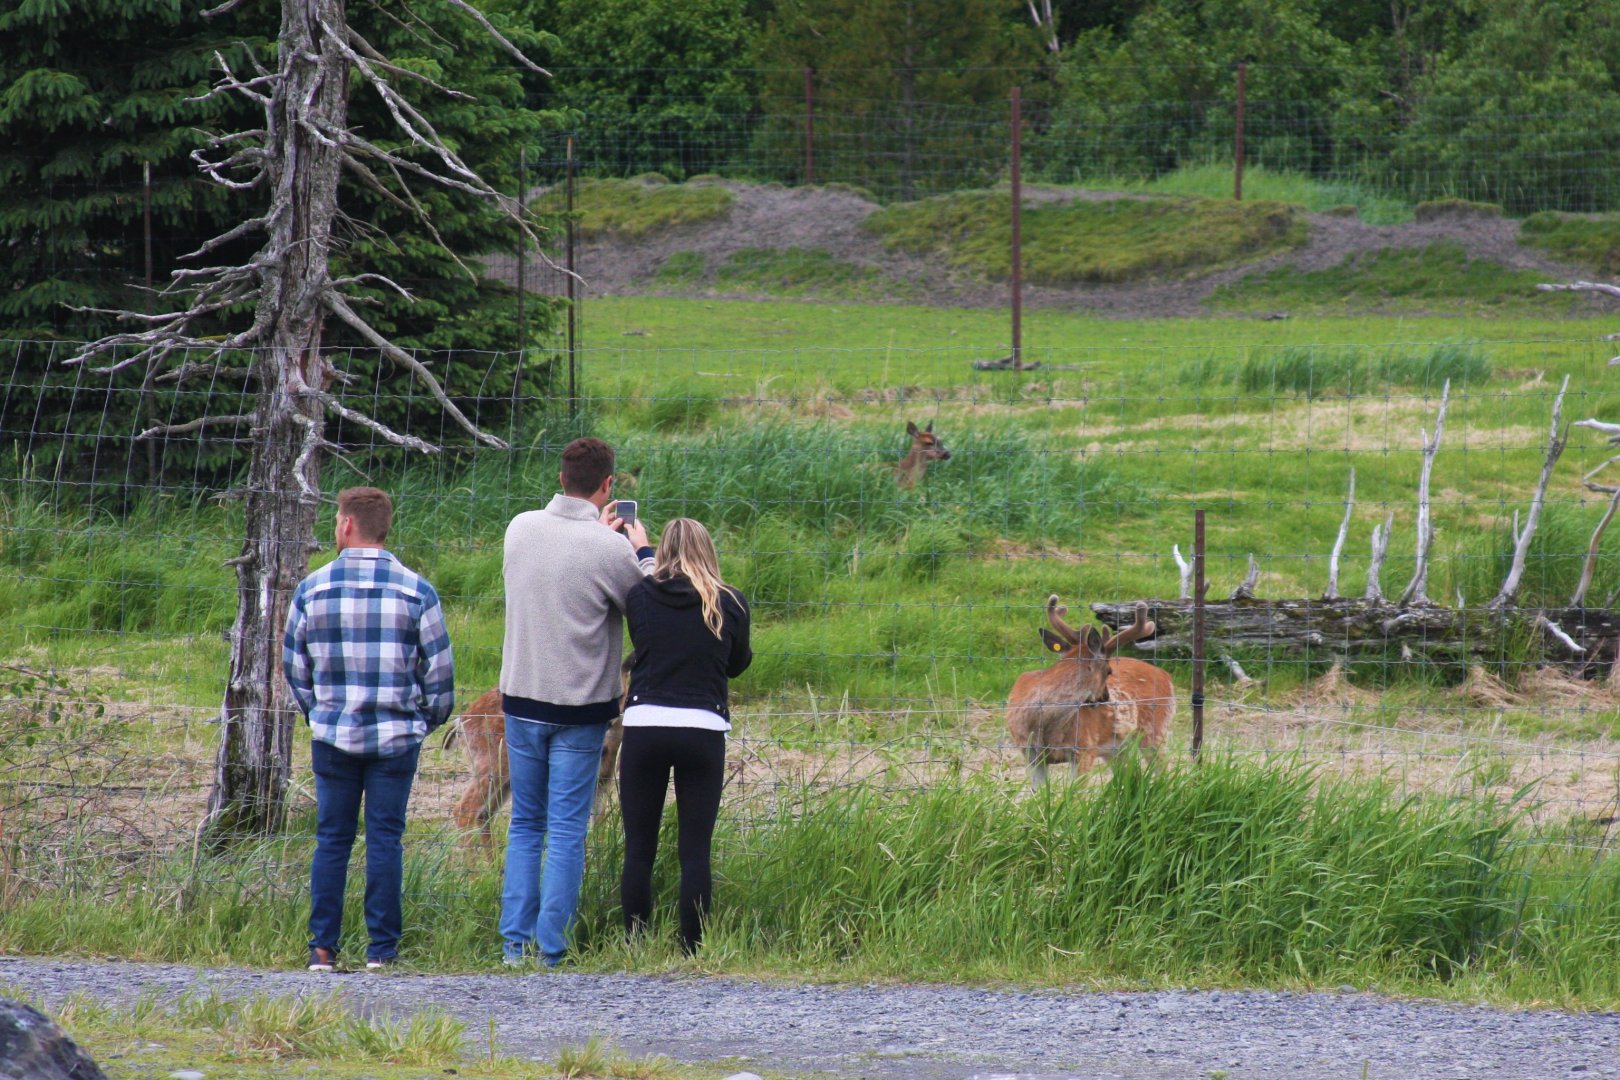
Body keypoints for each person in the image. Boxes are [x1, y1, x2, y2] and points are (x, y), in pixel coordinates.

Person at [283, 486, 454, 972]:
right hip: (395, 736)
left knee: (331, 838)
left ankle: (322, 948)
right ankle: (381, 950)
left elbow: (295, 667)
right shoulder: (417, 591)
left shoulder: (311, 589)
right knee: (385, 838)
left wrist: (320, 713)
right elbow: (439, 674)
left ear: (345, 525)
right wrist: (423, 720)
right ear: (385, 527)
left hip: (334, 734)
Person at [500, 436, 653, 967]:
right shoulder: (610, 549)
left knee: (525, 824)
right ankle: (551, 949)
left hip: (521, 698)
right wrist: (640, 548)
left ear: (561, 478)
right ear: (608, 486)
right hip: (580, 708)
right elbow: (650, 601)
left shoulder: (519, 528)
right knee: (566, 828)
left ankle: (513, 946)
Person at [620, 517, 751, 956]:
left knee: (639, 846)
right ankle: (692, 948)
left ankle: (635, 942)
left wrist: (642, 554)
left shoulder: (640, 596)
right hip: (703, 727)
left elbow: (642, 633)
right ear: (708, 549)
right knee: (695, 850)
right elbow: (736, 664)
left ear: (664, 550)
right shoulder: (729, 601)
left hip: (645, 725)